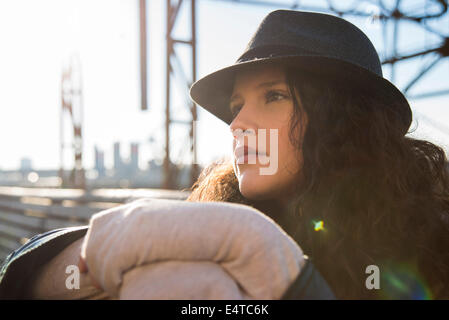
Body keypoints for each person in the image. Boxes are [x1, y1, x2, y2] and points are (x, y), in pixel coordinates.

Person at [1, 9, 448, 300]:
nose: (236, 123)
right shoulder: (219, 215)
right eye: (236, 107)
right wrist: (69, 265)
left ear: (346, 120)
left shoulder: (431, 248)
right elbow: (29, 267)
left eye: (273, 96)